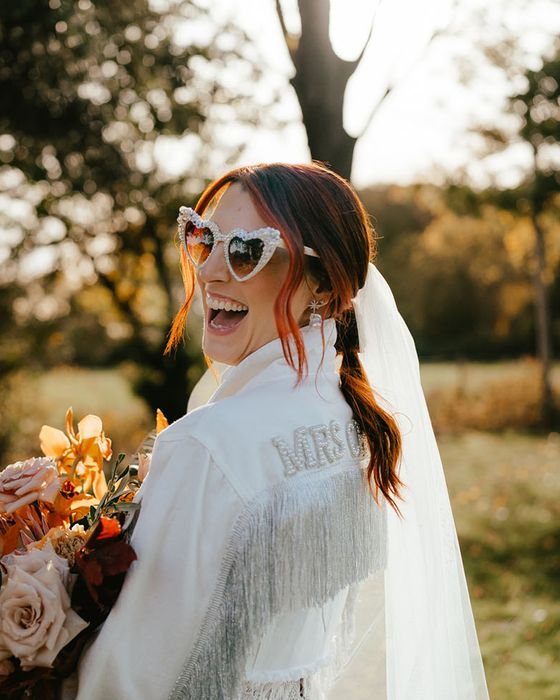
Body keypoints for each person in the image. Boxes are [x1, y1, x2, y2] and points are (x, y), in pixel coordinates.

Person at [69, 162, 490, 699]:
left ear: (322, 284)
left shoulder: (207, 449)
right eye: (204, 239)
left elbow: (125, 681)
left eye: (247, 251)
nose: (212, 271)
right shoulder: (354, 424)